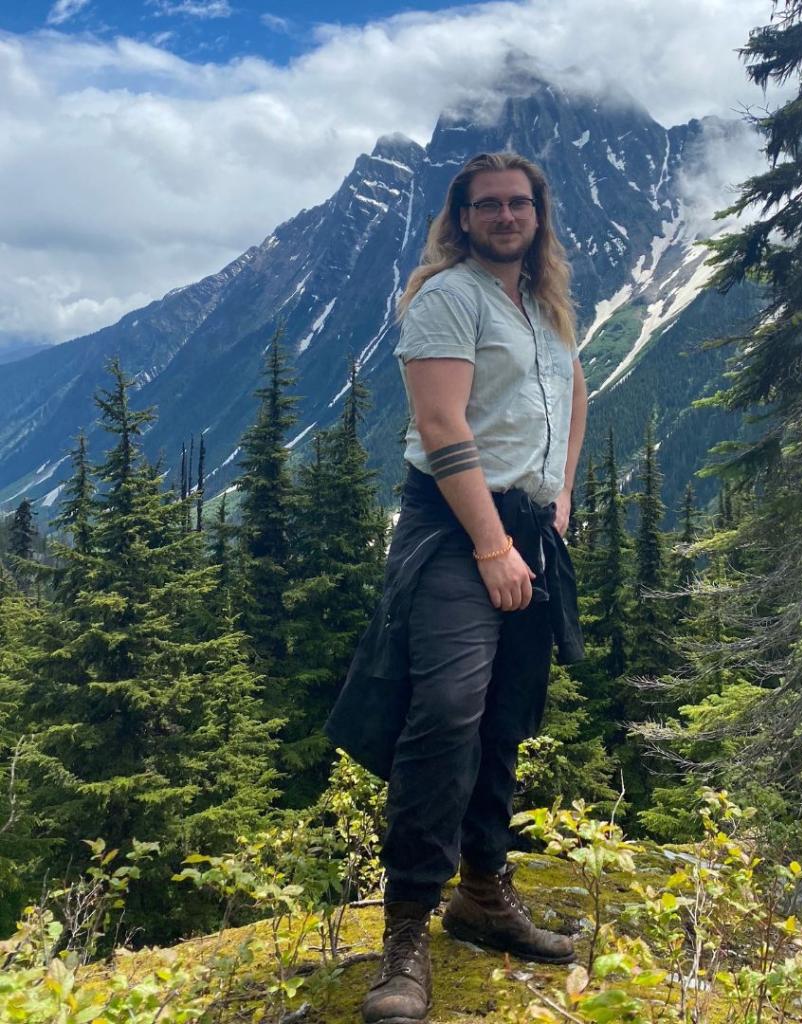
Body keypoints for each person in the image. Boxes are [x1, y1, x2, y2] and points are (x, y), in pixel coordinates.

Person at [325, 150, 587, 1024]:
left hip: (526, 525)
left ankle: (483, 893)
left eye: (520, 204)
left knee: (508, 708)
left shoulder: (543, 304)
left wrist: (561, 498)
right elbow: (440, 425)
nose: (507, 217)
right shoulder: (448, 295)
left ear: (538, 215)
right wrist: (489, 544)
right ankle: (406, 930)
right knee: (446, 706)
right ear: (463, 217)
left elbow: (572, 390)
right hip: (453, 522)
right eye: (489, 206)